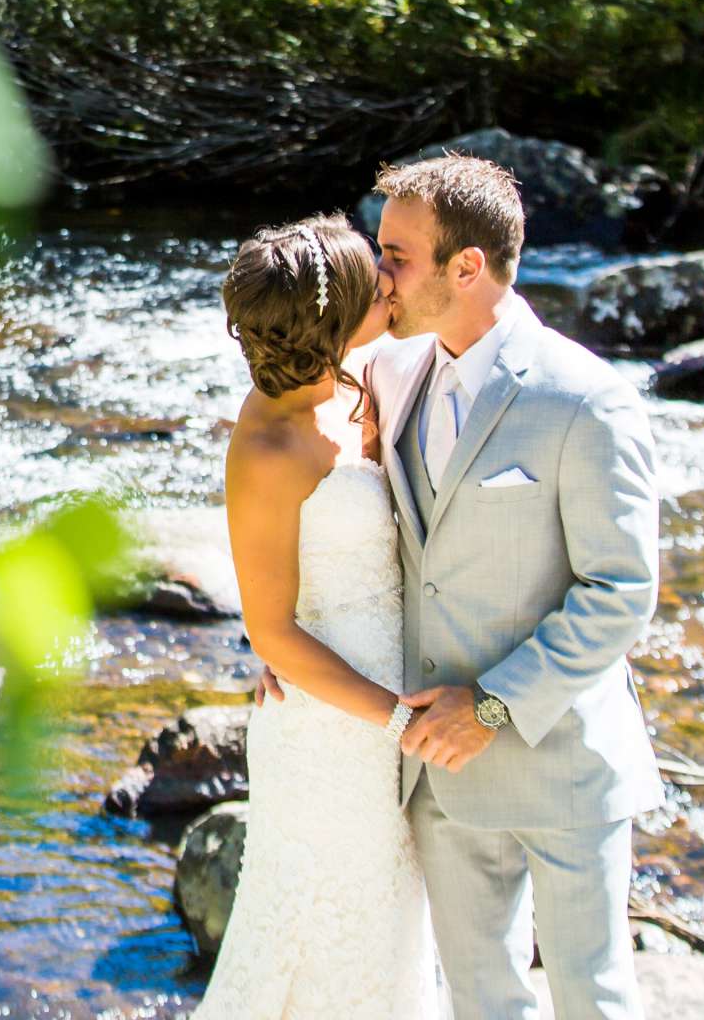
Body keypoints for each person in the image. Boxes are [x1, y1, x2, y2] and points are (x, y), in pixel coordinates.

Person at [347, 153, 664, 1020]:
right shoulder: (390, 375)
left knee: (592, 998)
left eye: (396, 255)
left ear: (467, 267)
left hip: (561, 763)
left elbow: (621, 589)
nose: (379, 275)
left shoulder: (587, 401)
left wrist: (489, 706)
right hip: (437, 775)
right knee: (482, 1002)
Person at [191, 211, 439, 1020]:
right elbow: (273, 633)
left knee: (394, 924)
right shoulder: (266, 445)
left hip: (397, 690)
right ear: (334, 321)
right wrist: (398, 721)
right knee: (322, 927)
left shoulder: (368, 377)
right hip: (336, 727)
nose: (390, 283)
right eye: (376, 277)